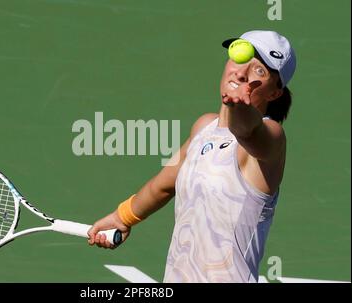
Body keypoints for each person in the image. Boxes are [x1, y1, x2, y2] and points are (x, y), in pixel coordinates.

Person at [88, 30, 297, 283]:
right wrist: (122, 217)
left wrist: (240, 106)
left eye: (260, 72)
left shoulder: (272, 137)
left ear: (275, 93)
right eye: (240, 58)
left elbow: (247, 132)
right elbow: (161, 187)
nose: (242, 72)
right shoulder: (204, 127)